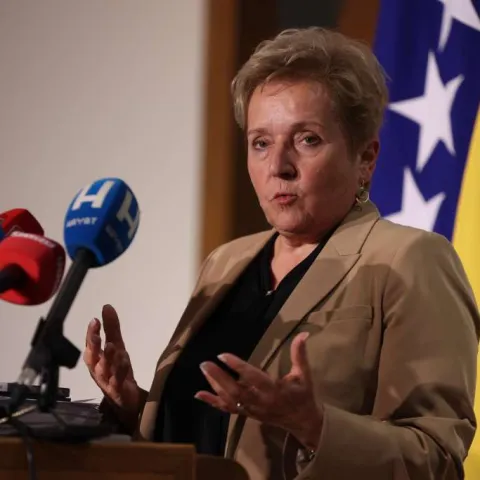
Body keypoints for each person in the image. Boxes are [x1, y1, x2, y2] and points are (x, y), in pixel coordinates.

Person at [83, 27, 480, 480]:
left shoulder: (411, 259)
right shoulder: (226, 262)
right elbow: (211, 437)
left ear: (366, 158)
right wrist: (134, 405)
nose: (278, 166)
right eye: (261, 142)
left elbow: (436, 459)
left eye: (307, 139)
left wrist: (314, 426)